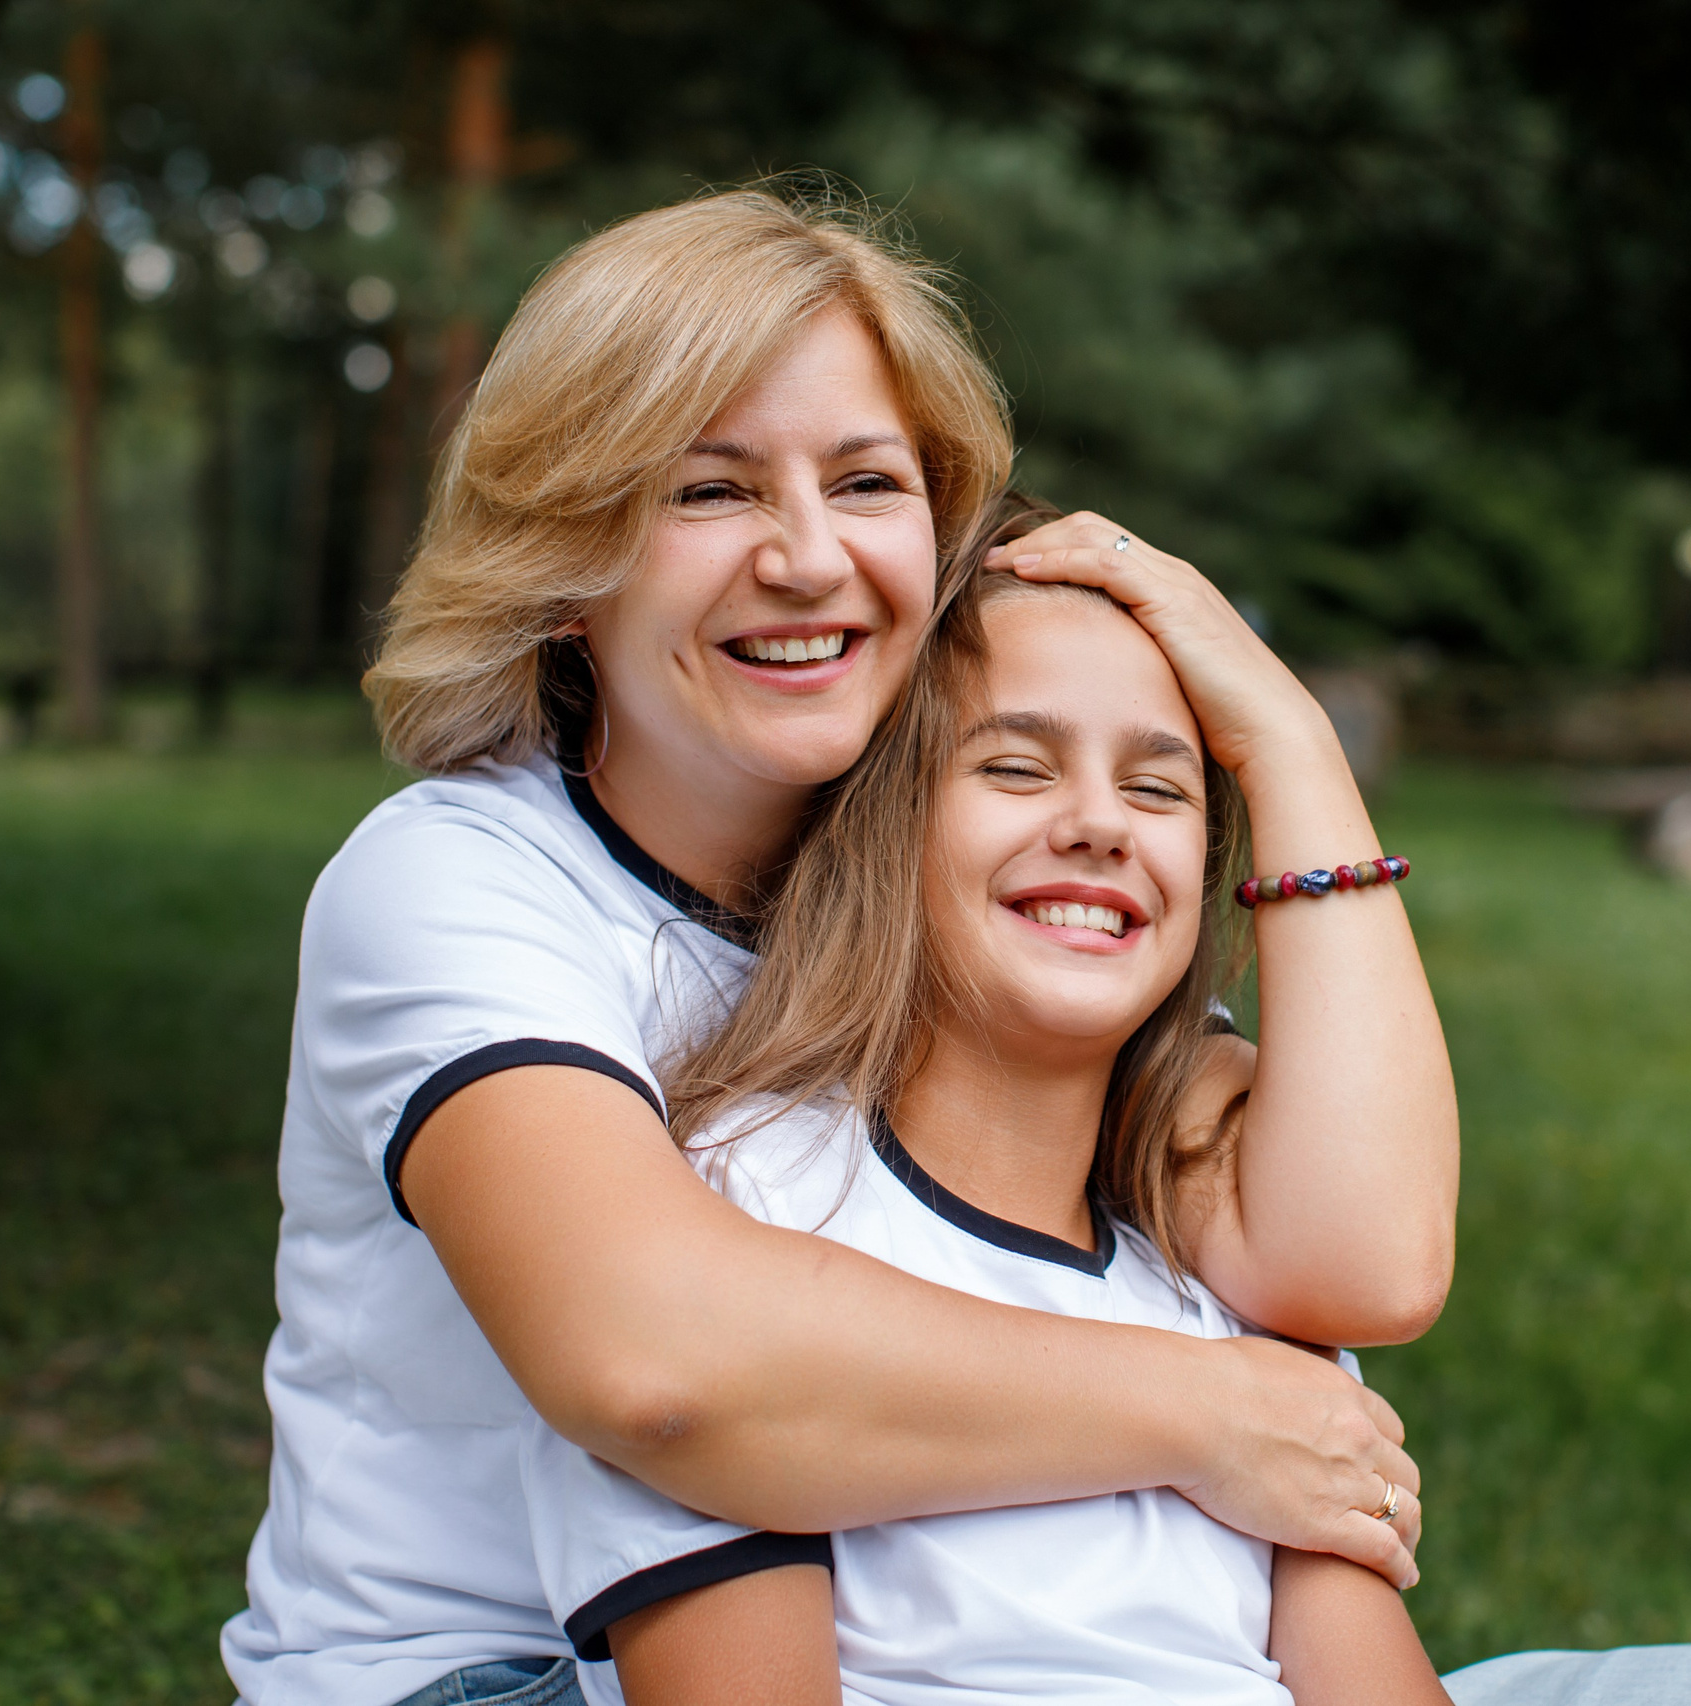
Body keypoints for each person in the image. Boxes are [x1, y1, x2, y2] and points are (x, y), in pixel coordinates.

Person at [518, 543, 1691, 1706]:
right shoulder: (742, 1225)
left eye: (1171, 786)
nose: (1100, 821)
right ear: (876, 832)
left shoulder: (1221, 1271)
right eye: (1015, 766)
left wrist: (1285, 727)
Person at [221, 188, 1459, 1706]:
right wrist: (1218, 1415)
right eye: (710, 491)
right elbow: (660, 1364)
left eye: (867, 482)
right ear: (564, 558)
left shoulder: (940, 889)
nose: (809, 558)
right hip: (504, 1674)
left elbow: (1363, 1258)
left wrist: (1280, 733)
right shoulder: (456, 881)